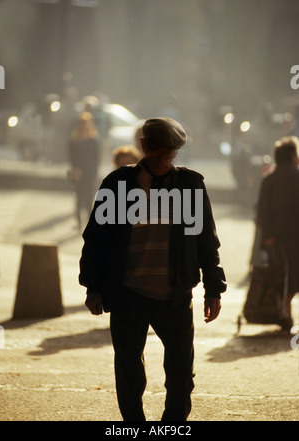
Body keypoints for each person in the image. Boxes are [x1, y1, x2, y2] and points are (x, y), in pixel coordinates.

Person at [79, 117, 227, 421]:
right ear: (144, 147)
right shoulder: (117, 185)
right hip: (127, 294)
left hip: (174, 296)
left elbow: (206, 240)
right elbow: (96, 239)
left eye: (170, 156)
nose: (164, 161)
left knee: (181, 374)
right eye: (159, 154)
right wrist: (93, 287)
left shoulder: (189, 186)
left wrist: (213, 289)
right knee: (129, 373)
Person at [257, 136, 299, 331]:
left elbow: (262, 210)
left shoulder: (269, 180)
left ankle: (284, 313)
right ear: (292, 155)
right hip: (295, 234)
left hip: (276, 237)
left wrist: (268, 235)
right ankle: (286, 314)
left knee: (281, 275)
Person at [68, 111, 100, 229]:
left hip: (90, 172)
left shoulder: (93, 140)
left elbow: (97, 158)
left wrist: (95, 174)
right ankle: (79, 223)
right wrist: (75, 170)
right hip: (78, 173)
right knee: (79, 198)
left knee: (89, 199)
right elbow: (72, 157)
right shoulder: (74, 140)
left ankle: (89, 224)